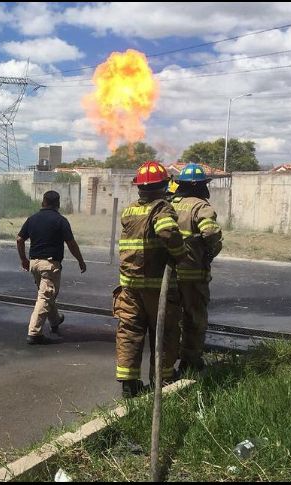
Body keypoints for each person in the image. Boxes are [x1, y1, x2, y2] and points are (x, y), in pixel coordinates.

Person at [114, 161, 189, 398]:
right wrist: (180, 254)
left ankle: (129, 384)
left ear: (139, 188)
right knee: (165, 331)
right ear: (163, 185)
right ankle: (163, 379)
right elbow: (167, 231)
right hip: (156, 287)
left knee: (130, 331)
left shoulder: (129, 211)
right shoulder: (161, 208)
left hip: (129, 286)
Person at [171, 163, 223, 373]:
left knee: (171, 319)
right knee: (194, 318)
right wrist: (210, 250)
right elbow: (210, 233)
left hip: (169, 274)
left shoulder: (170, 204)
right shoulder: (201, 207)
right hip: (192, 273)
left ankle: (167, 362)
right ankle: (190, 361)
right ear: (200, 186)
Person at [17, 190, 87, 344]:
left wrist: (23, 259)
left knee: (46, 293)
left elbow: (19, 239)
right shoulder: (60, 220)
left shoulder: (32, 219)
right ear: (58, 204)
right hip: (49, 265)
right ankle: (34, 333)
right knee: (45, 296)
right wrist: (81, 261)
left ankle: (55, 320)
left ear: (43, 202)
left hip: (34, 264)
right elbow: (71, 243)